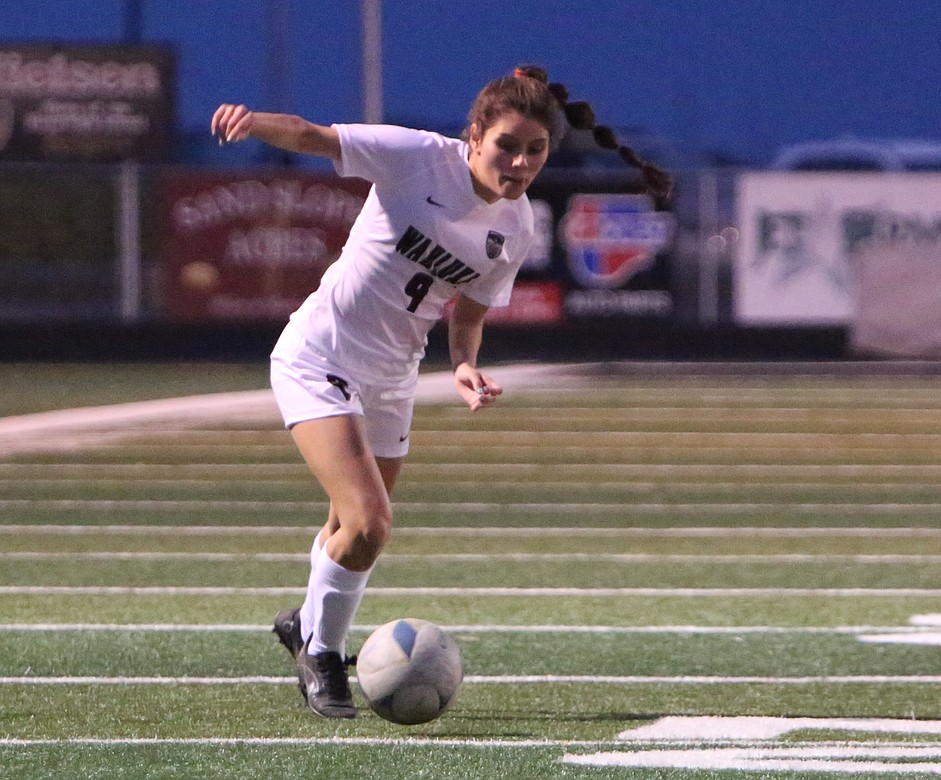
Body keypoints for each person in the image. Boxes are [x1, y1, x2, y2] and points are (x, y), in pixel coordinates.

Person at [210, 65, 671, 719]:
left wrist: (462, 365)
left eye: (535, 150)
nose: (519, 162)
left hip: (395, 377)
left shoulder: (516, 227)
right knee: (370, 524)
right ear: (475, 134)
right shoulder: (418, 157)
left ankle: (306, 624)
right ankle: (320, 652)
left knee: (350, 527)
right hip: (320, 357)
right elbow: (314, 136)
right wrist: (253, 121)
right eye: (507, 144)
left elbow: (471, 310)